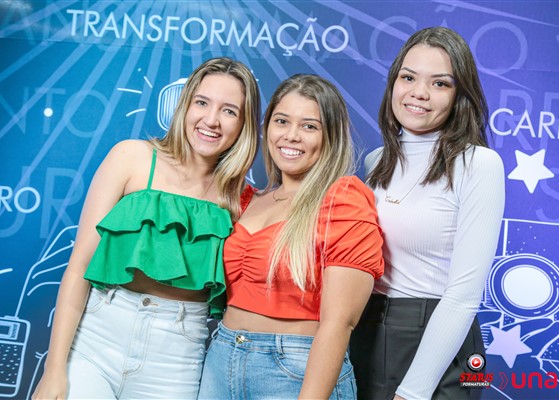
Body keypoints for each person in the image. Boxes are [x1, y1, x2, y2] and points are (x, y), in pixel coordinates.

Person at [32, 57, 260, 400]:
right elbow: (79, 268)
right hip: (96, 341)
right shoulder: (131, 157)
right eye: (202, 103)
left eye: (229, 111)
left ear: (243, 124)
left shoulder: (241, 198)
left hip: (177, 360)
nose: (211, 120)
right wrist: (54, 370)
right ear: (185, 105)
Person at [198, 74, 384, 399]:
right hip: (221, 359)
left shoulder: (342, 200)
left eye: (309, 126)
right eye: (281, 121)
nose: (291, 136)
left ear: (331, 136)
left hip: (293, 368)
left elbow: (339, 324)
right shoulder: (246, 200)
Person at [349, 26, 505, 400]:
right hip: (368, 331)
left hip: (441, 344)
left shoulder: (478, 164)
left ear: (459, 95)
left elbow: (463, 296)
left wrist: (413, 392)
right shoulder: (375, 162)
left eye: (439, 83)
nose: (419, 92)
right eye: (408, 77)